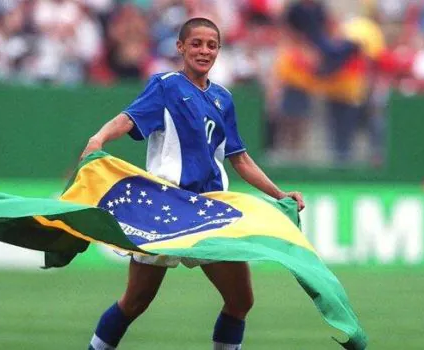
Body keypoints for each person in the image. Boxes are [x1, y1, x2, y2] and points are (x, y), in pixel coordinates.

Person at [80, 18, 305, 350]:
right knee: (135, 302)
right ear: (180, 47)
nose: (204, 50)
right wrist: (98, 138)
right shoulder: (166, 85)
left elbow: (239, 159)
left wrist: (279, 193)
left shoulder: (223, 99)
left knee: (240, 300)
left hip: (210, 212)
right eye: (196, 43)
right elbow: (128, 119)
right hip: (167, 210)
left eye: (211, 45)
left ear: (218, 51)